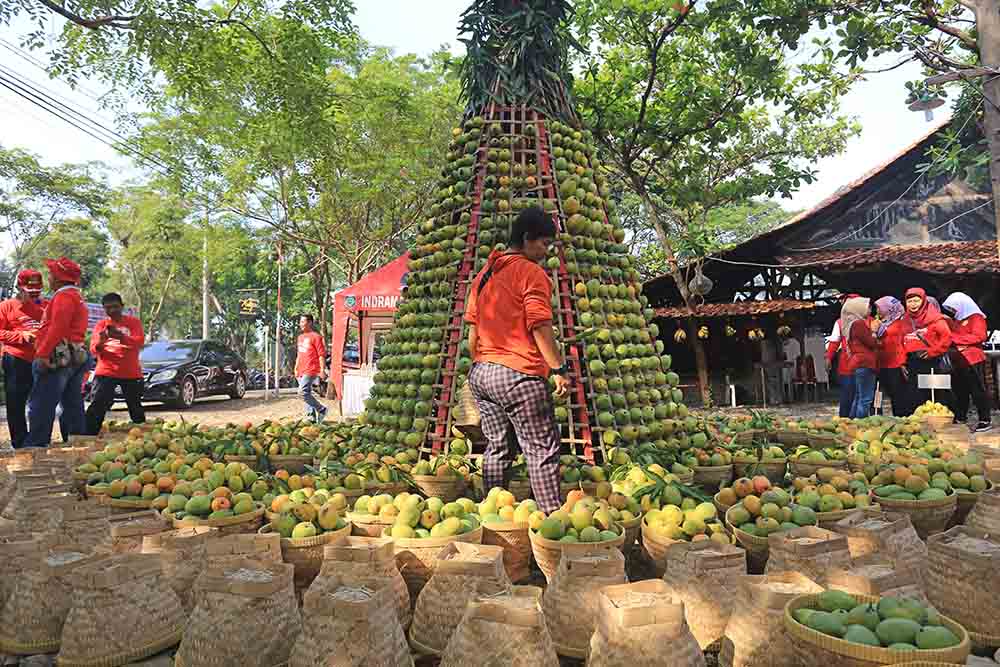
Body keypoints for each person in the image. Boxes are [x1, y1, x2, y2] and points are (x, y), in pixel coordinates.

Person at [464, 207, 568, 514]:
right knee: (541, 450)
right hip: (518, 375)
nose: (546, 252)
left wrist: (480, 364)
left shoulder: (484, 274)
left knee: (498, 448)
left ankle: (492, 513)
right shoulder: (530, 273)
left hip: (483, 374)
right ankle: (552, 522)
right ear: (526, 239)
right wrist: (558, 369)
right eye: (544, 244)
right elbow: (539, 324)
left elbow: (472, 329)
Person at [23, 258, 89, 448]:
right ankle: (78, 445)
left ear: (59, 278)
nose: (49, 278)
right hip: (75, 354)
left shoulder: (64, 297)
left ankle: (36, 446)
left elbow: (57, 328)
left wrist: (43, 354)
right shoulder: (77, 296)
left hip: (57, 357)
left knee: (41, 404)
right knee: (72, 403)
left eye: (51, 274)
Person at [85, 293, 146, 435]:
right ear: (104, 309)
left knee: (135, 407)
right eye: (108, 308)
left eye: (115, 307)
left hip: (130, 373)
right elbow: (94, 349)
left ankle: (143, 436)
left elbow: (139, 343)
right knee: (97, 406)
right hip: (106, 372)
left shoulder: (133, 323)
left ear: (122, 306)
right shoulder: (101, 325)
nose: (112, 310)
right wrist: (101, 341)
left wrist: (121, 337)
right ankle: (88, 436)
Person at [0, 270, 46, 447]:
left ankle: (37, 440)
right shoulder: (6, 306)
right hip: (16, 359)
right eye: (30, 289)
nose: (34, 292)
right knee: (16, 403)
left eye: (38, 289)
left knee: (41, 403)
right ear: (19, 286)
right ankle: (19, 443)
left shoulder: (45, 306)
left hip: (42, 360)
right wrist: (21, 336)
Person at [942, 292, 991, 431]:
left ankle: (984, 419)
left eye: (954, 307)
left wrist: (954, 338)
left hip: (973, 359)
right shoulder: (958, 320)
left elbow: (980, 336)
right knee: (960, 390)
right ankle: (961, 416)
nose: (952, 311)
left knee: (977, 390)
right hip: (958, 360)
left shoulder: (976, 318)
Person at [901, 287, 952, 409]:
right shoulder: (905, 319)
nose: (913, 304)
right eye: (910, 301)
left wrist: (932, 352)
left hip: (932, 362)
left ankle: (941, 421)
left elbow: (946, 338)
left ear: (923, 301)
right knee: (917, 395)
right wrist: (902, 362)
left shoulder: (935, 318)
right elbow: (900, 341)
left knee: (937, 394)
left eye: (916, 301)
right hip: (913, 362)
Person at [872, 296, 912, 416]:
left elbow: (902, 344)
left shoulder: (901, 322)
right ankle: (876, 416)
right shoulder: (880, 323)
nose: (878, 311)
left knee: (897, 395)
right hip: (879, 364)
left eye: (880, 308)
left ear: (889, 309)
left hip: (894, 364)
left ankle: (900, 419)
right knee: (877, 394)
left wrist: (903, 363)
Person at [840, 296, 878, 418]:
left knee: (858, 397)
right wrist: (874, 332)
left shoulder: (851, 324)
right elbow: (871, 342)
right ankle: (860, 424)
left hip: (858, 363)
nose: (870, 310)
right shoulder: (859, 324)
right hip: (865, 363)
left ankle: (852, 423)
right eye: (867, 307)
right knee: (865, 399)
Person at [825, 293, 860, 417]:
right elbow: (834, 342)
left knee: (863, 396)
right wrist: (828, 358)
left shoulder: (869, 321)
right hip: (847, 366)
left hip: (863, 365)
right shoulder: (839, 323)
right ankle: (845, 422)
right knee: (848, 395)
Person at [295, 314, 327, 423]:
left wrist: (322, 370)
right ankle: (311, 416)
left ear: (310, 323)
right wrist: (296, 367)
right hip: (301, 369)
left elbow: (321, 354)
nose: (301, 324)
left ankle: (322, 409)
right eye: (300, 322)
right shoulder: (300, 337)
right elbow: (299, 354)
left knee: (302, 392)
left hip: (311, 368)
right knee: (307, 393)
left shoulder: (316, 337)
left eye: (303, 322)